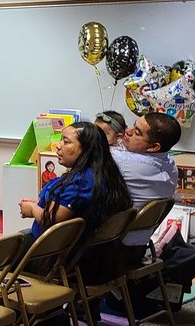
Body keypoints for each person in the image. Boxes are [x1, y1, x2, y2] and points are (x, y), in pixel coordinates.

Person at [19, 121, 131, 283]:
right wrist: (41, 203)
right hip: (91, 254)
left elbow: (52, 220)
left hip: (59, 258)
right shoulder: (104, 174)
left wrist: (31, 209)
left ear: (86, 149)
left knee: (4, 255)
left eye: (66, 142)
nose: (58, 146)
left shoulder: (80, 183)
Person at [111, 113, 181, 206]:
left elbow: (94, 148)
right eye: (133, 126)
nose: (128, 131)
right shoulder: (170, 164)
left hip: (113, 219)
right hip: (145, 220)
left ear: (153, 147)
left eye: (137, 133)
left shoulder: (123, 162)